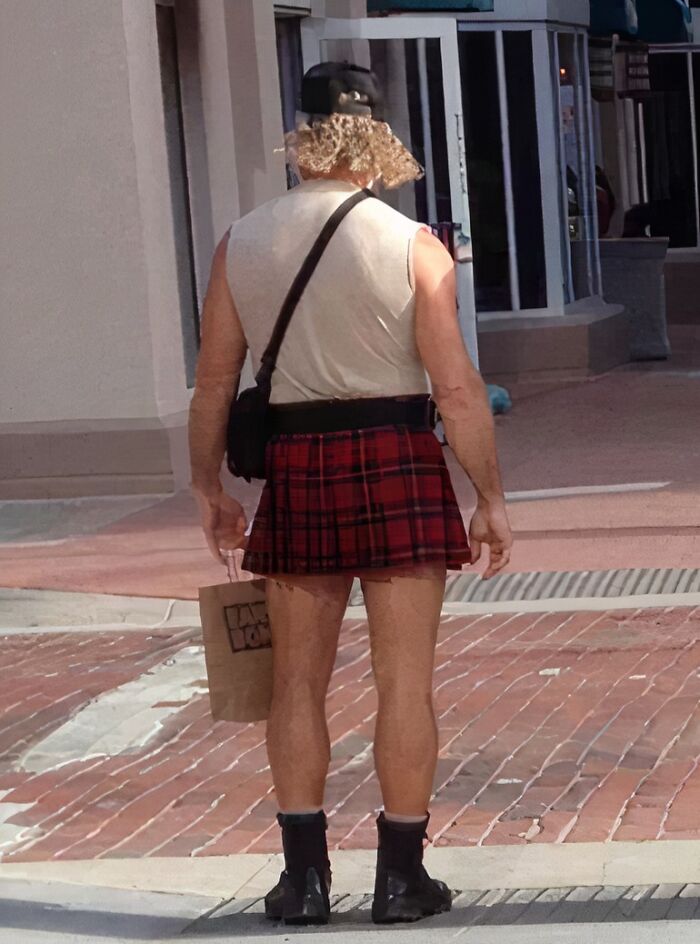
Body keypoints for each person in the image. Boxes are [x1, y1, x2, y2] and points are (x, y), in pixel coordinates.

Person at [188, 62, 513, 926]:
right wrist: (489, 496)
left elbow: (214, 384)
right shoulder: (412, 245)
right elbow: (456, 389)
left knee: (295, 683)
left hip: (298, 461)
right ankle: (401, 881)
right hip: (398, 454)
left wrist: (208, 487)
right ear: (375, 142)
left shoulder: (241, 242)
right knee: (404, 685)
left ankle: (303, 883)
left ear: (300, 139)